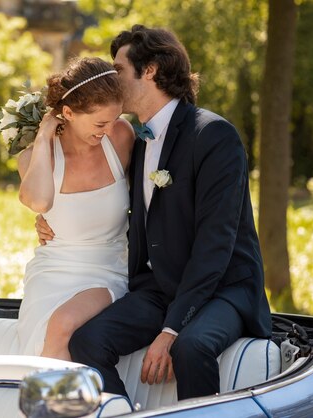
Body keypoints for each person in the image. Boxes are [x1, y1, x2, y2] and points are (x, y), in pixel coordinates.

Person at [36, 25, 272, 400]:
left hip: (222, 289)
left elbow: (217, 242)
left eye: (118, 70)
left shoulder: (214, 136)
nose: (110, 79)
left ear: (150, 71)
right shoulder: (135, 139)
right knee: (87, 342)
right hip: (158, 289)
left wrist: (172, 329)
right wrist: (52, 218)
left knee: (190, 348)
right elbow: (103, 198)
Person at [16, 57, 136, 360]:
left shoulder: (120, 138)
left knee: (62, 324)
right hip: (53, 270)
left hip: (108, 268)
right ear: (67, 113)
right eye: (99, 123)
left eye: (114, 119)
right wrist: (43, 138)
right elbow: (40, 203)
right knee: (46, 336)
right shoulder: (35, 158)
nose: (108, 130)